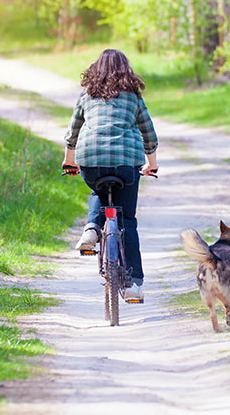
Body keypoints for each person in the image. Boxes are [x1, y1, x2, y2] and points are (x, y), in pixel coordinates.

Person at [63, 49, 159, 302]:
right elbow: (148, 132)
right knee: (127, 219)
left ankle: (92, 229)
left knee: (97, 190)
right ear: (126, 70)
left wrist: (69, 161)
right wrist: (152, 164)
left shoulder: (87, 94)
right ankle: (132, 284)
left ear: (96, 69)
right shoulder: (133, 97)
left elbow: (73, 130)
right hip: (127, 163)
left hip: (91, 160)